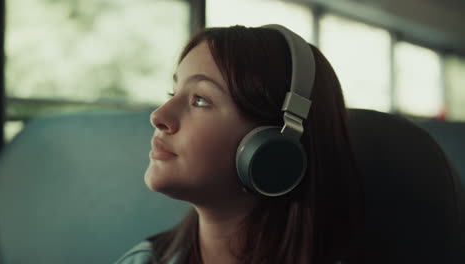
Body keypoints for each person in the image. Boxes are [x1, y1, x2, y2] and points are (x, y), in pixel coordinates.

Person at [114, 24, 364, 264]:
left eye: (200, 100)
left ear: (275, 148)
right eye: (173, 93)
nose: (158, 116)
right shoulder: (142, 259)